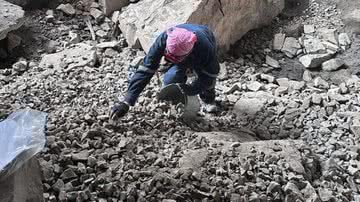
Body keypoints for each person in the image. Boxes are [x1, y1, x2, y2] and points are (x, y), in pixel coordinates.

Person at [110, 23, 220, 120]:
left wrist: (193, 89)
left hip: (204, 39)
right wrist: (127, 101)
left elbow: (210, 74)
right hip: (184, 51)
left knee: (205, 78)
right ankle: (178, 103)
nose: (170, 59)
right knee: (170, 80)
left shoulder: (206, 49)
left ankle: (208, 99)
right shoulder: (164, 38)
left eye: (175, 58)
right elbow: (146, 69)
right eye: (168, 55)